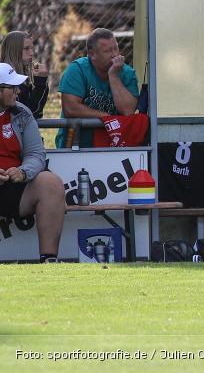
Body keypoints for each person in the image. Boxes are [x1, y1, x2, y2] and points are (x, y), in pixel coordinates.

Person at [0, 63, 65, 262]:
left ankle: (49, 260)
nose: (18, 91)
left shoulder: (22, 112)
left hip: (13, 184)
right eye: (13, 87)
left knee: (51, 183)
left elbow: (36, 154)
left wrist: (23, 172)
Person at [55, 28, 139, 148]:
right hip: (75, 144)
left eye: (116, 48)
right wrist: (106, 117)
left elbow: (128, 110)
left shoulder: (127, 73)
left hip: (112, 145)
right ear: (92, 54)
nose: (115, 54)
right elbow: (71, 109)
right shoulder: (77, 69)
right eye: (108, 51)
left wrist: (114, 77)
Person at [0, 31, 49, 119]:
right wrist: (40, 83)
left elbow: (36, 113)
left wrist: (41, 82)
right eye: (26, 48)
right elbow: (28, 113)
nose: (31, 53)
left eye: (31, 48)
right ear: (14, 50)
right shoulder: (4, 77)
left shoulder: (23, 76)